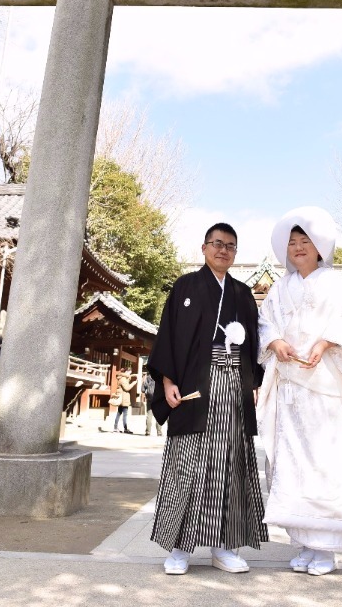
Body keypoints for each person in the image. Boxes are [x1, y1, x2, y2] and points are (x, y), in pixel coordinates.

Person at [257, 206, 342, 577]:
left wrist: (325, 343)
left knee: (326, 464)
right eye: (292, 242)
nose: (297, 247)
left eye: (305, 240)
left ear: (320, 247)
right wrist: (275, 342)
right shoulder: (278, 288)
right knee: (292, 466)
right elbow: (265, 324)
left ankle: (327, 548)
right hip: (292, 389)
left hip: (325, 386)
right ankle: (305, 543)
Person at [146, 222, 268, 575]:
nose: (223, 250)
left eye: (230, 246)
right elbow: (168, 334)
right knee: (187, 464)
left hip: (233, 386)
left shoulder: (243, 294)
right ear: (203, 248)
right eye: (217, 243)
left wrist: (255, 383)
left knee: (230, 465)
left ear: (235, 253)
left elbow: (255, 347)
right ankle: (179, 548)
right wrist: (168, 379)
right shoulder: (185, 286)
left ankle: (224, 545)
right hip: (192, 388)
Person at [112, 363, 138, 434]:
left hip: (123, 398)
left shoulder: (122, 377)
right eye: (130, 372)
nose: (130, 374)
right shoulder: (123, 379)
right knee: (124, 414)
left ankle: (116, 427)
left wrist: (134, 375)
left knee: (119, 413)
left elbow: (128, 377)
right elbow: (127, 388)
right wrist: (134, 383)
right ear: (126, 372)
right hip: (124, 398)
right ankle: (124, 428)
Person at [141, 370, 162, 437]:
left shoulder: (148, 378)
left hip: (150, 399)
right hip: (158, 399)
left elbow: (143, 389)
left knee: (149, 415)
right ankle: (159, 432)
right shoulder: (160, 378)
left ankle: (148, 431)